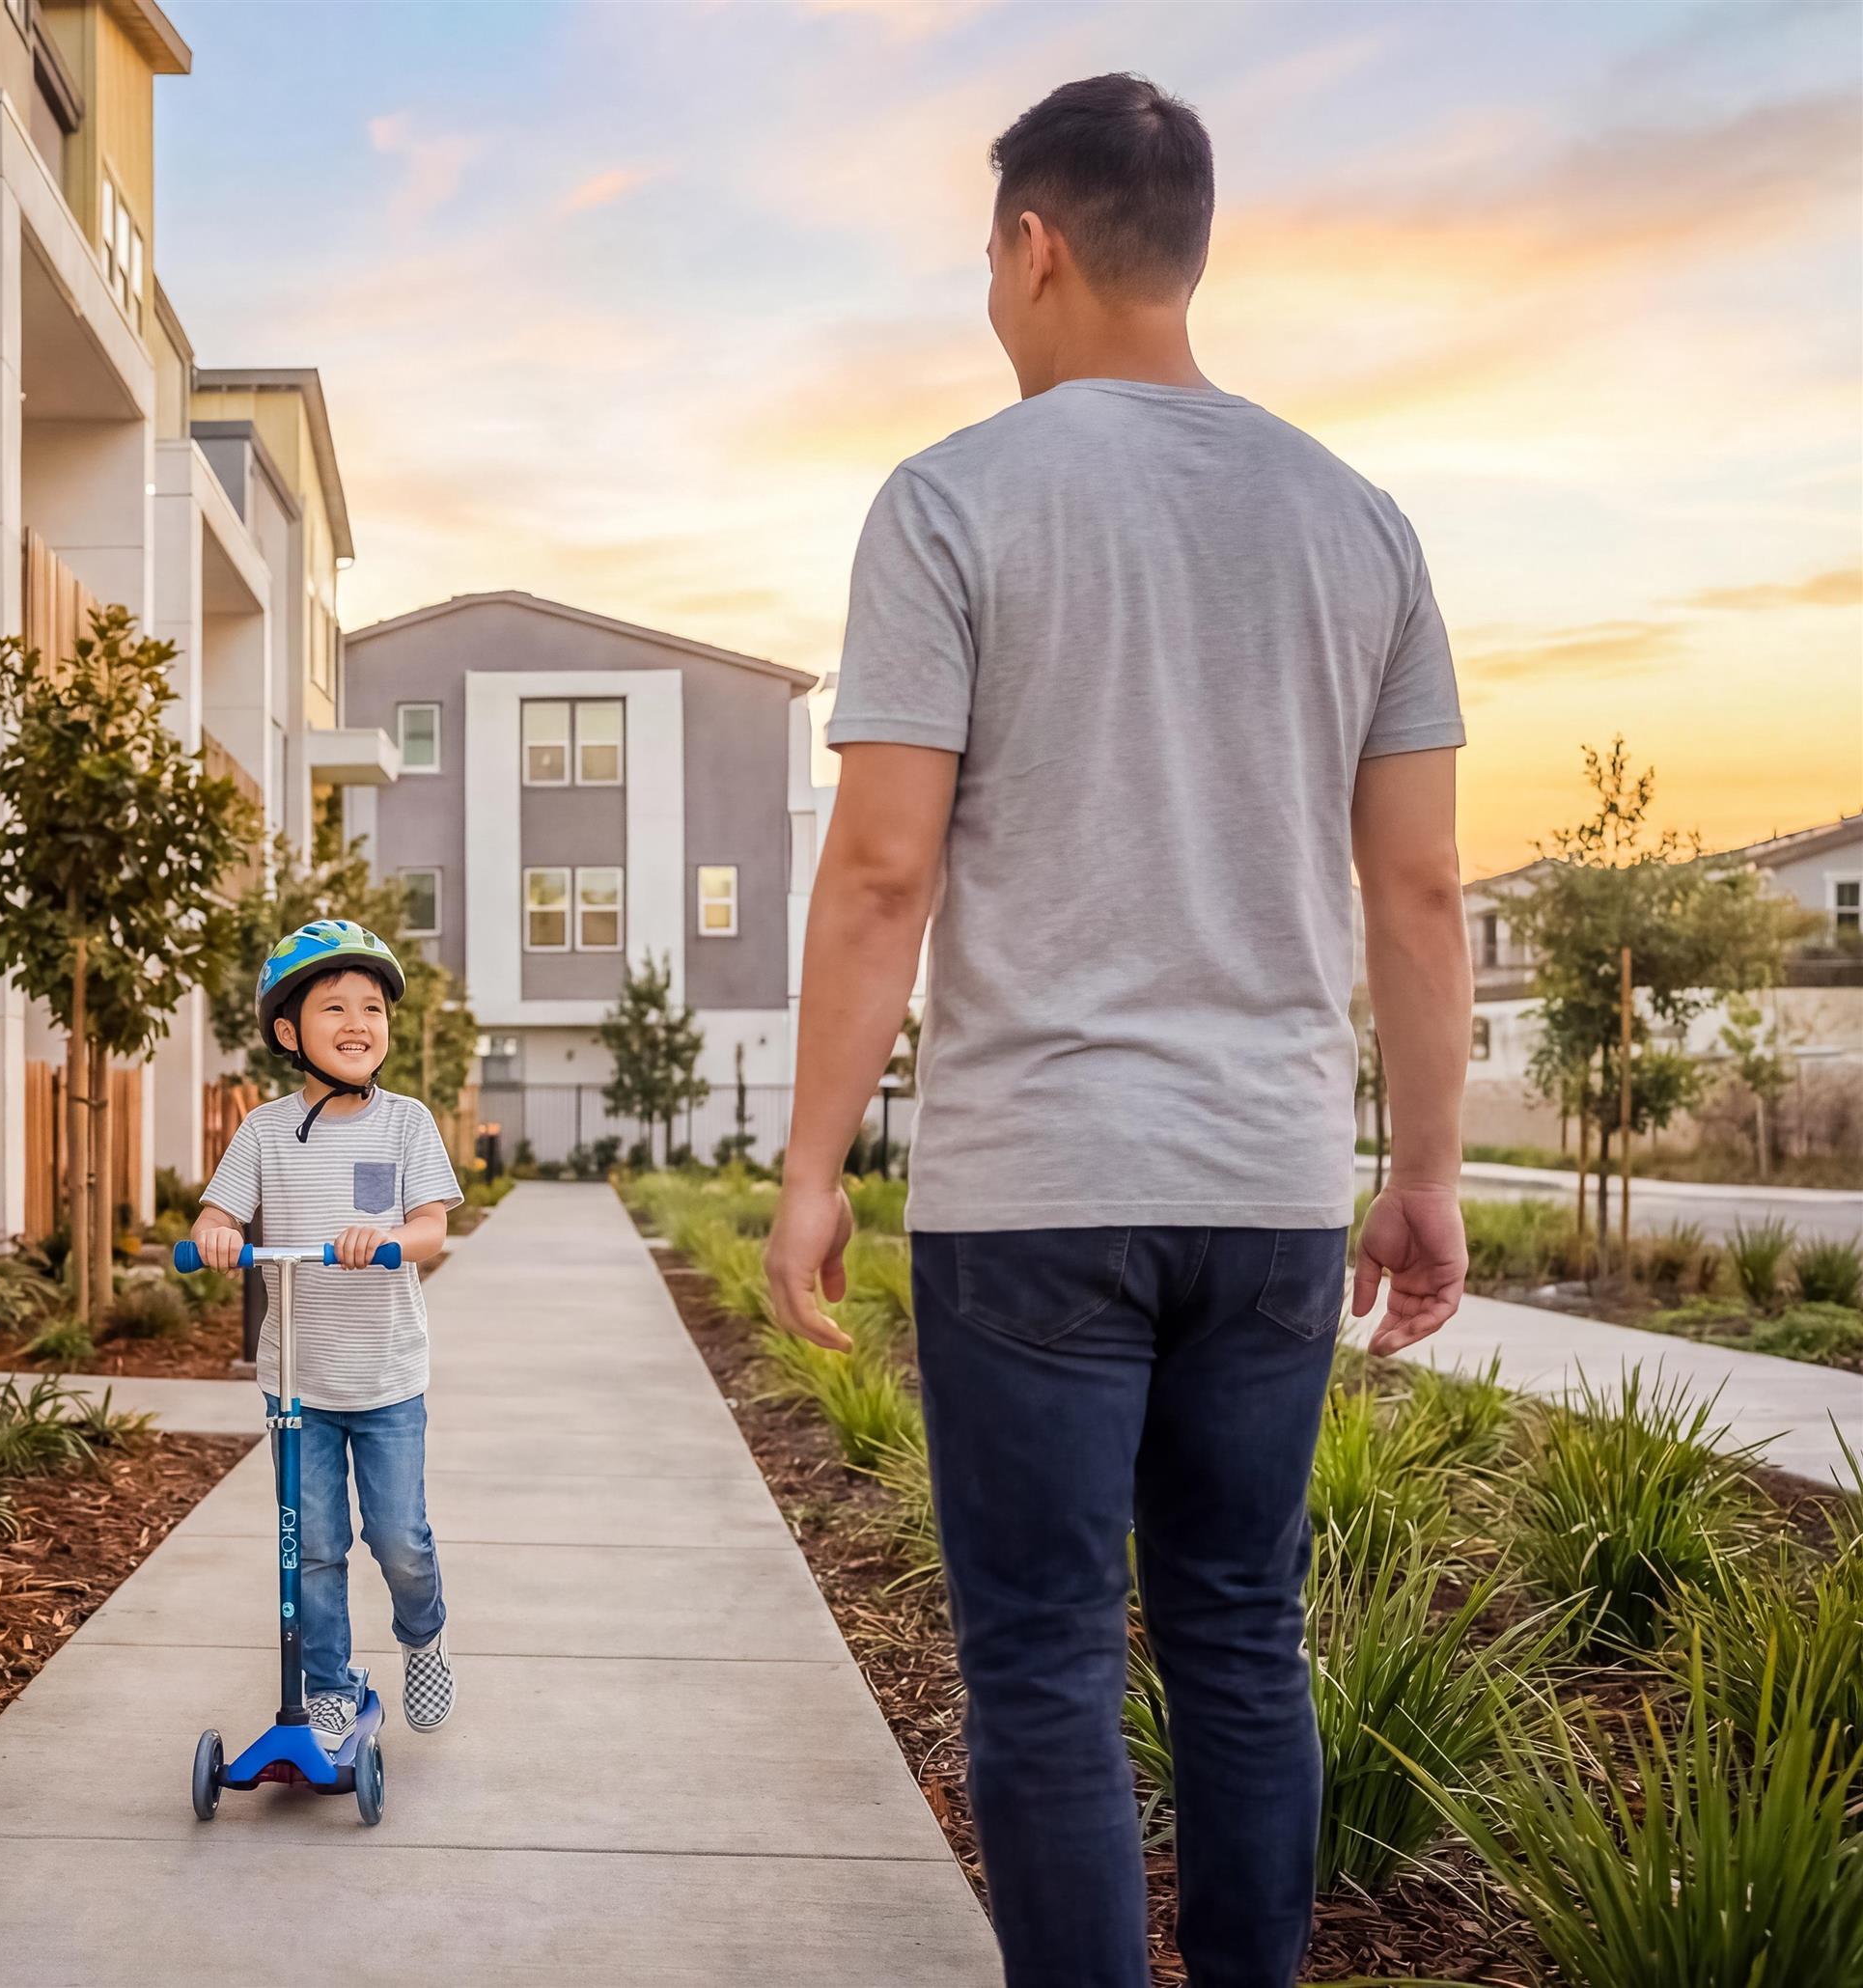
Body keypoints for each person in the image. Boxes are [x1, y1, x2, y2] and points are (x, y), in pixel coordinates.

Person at [765, 72, 1474, 1988]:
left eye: (988, 258)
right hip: (1263, 1183)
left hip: (1035, 1191)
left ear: (1034, 245)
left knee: (1049, 1661)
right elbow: (1418, 890)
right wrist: (1421, 1174)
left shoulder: (951, 501)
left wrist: (814, 1167)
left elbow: (882, 869)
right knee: (1244, 1637)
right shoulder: (1362, 523)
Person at [192, 919, 467, 1744]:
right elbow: (220, 1210)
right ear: (289, 1032)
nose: (358, 1023)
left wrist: (384, 1242)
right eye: (335, 1007)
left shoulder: (406, 1123)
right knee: (310, 1549)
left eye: (373, 1008)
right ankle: (329, 1683)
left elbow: (431, 1230)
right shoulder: (264, 1131)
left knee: (398, 1539)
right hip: (296, 1382)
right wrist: (213, 1231)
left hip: (386, 1379)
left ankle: (423, 1639)